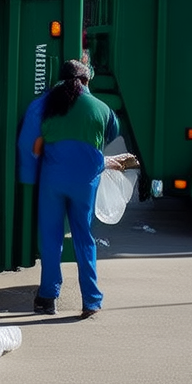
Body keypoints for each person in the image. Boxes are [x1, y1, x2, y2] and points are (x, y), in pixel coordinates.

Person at [30, 59, 118, 319]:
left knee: (51, 238)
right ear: (87, 80)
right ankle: (91, 300)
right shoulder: (102, 108)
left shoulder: (48, 104)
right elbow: (110, 134)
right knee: (83, 238)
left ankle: (47, 297)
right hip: (85, 182)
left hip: (52, 180)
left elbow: (35, 139)